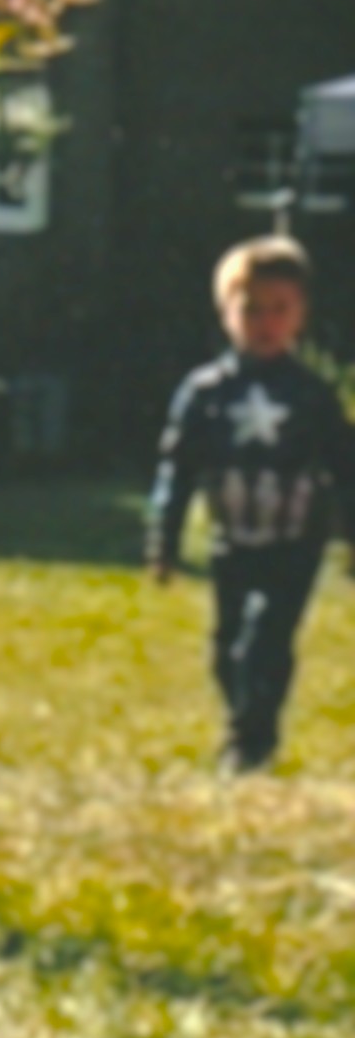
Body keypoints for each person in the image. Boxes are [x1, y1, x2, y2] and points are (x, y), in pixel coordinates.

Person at [148, 235, 354, 771]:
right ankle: (242, 715)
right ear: (226, 313)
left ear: (300, 314)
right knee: (228, 645)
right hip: (232, 537)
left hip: (296, 538)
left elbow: (345, 466)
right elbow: (179, 467)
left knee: (269, 636)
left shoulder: (312, 394)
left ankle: (252, 739)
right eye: (251, 310)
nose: (265, 322)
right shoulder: (206, 393)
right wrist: (163, 540)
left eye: (279, 310)